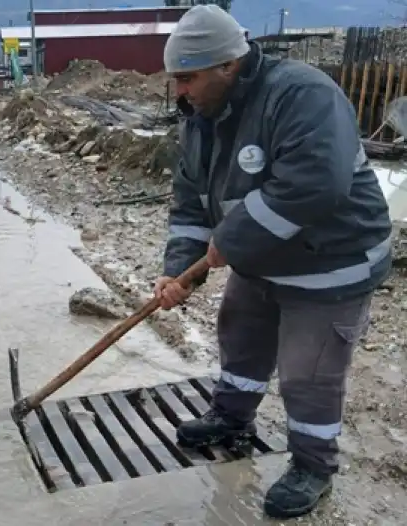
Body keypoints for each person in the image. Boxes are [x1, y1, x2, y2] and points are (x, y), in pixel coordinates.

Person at [155, 5, 392, 520]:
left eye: (188, 78)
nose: (181, 92)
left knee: (309, 375)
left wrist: (232, 241)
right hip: (261, 260)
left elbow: (313, 183)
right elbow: (191, 202)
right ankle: (231, 419)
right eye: (176, 80)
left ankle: (312, 465)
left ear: (227, 65)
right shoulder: (202, 120)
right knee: (239, 336)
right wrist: (179, 272)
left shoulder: (301, 94)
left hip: (331, 263)